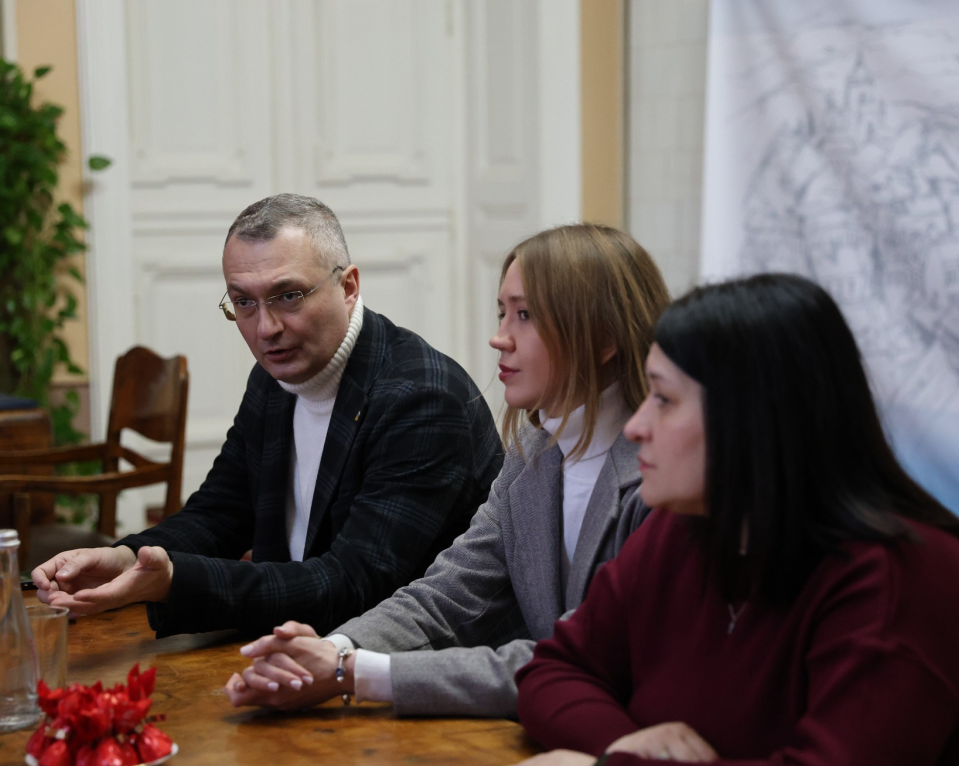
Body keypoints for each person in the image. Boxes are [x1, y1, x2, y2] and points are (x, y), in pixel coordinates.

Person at [479, 274, 959, 766]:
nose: (636, 426)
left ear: (753, 418)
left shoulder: (904, 577)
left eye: (664, 399)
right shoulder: (686, 529)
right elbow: (553, 670)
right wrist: (630, 745)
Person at [222, 224, 670, 717]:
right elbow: (448, 592)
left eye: (525, 315)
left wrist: (352, 672)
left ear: (602, 338)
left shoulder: (664, 478)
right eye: (503, 313)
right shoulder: (533, 453)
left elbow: (585, 662)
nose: (499, 338)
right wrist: (333, 651)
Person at [31, 193, 503, 638]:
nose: (266, 328)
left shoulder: (423, 399)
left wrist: (175, 580)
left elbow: (355, 587)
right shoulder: (277, 375)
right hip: (294, 643)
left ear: (349, 286)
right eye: (244, 303)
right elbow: (221, 512)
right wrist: (126, 558)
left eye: (288, 296)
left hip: (404, 668)